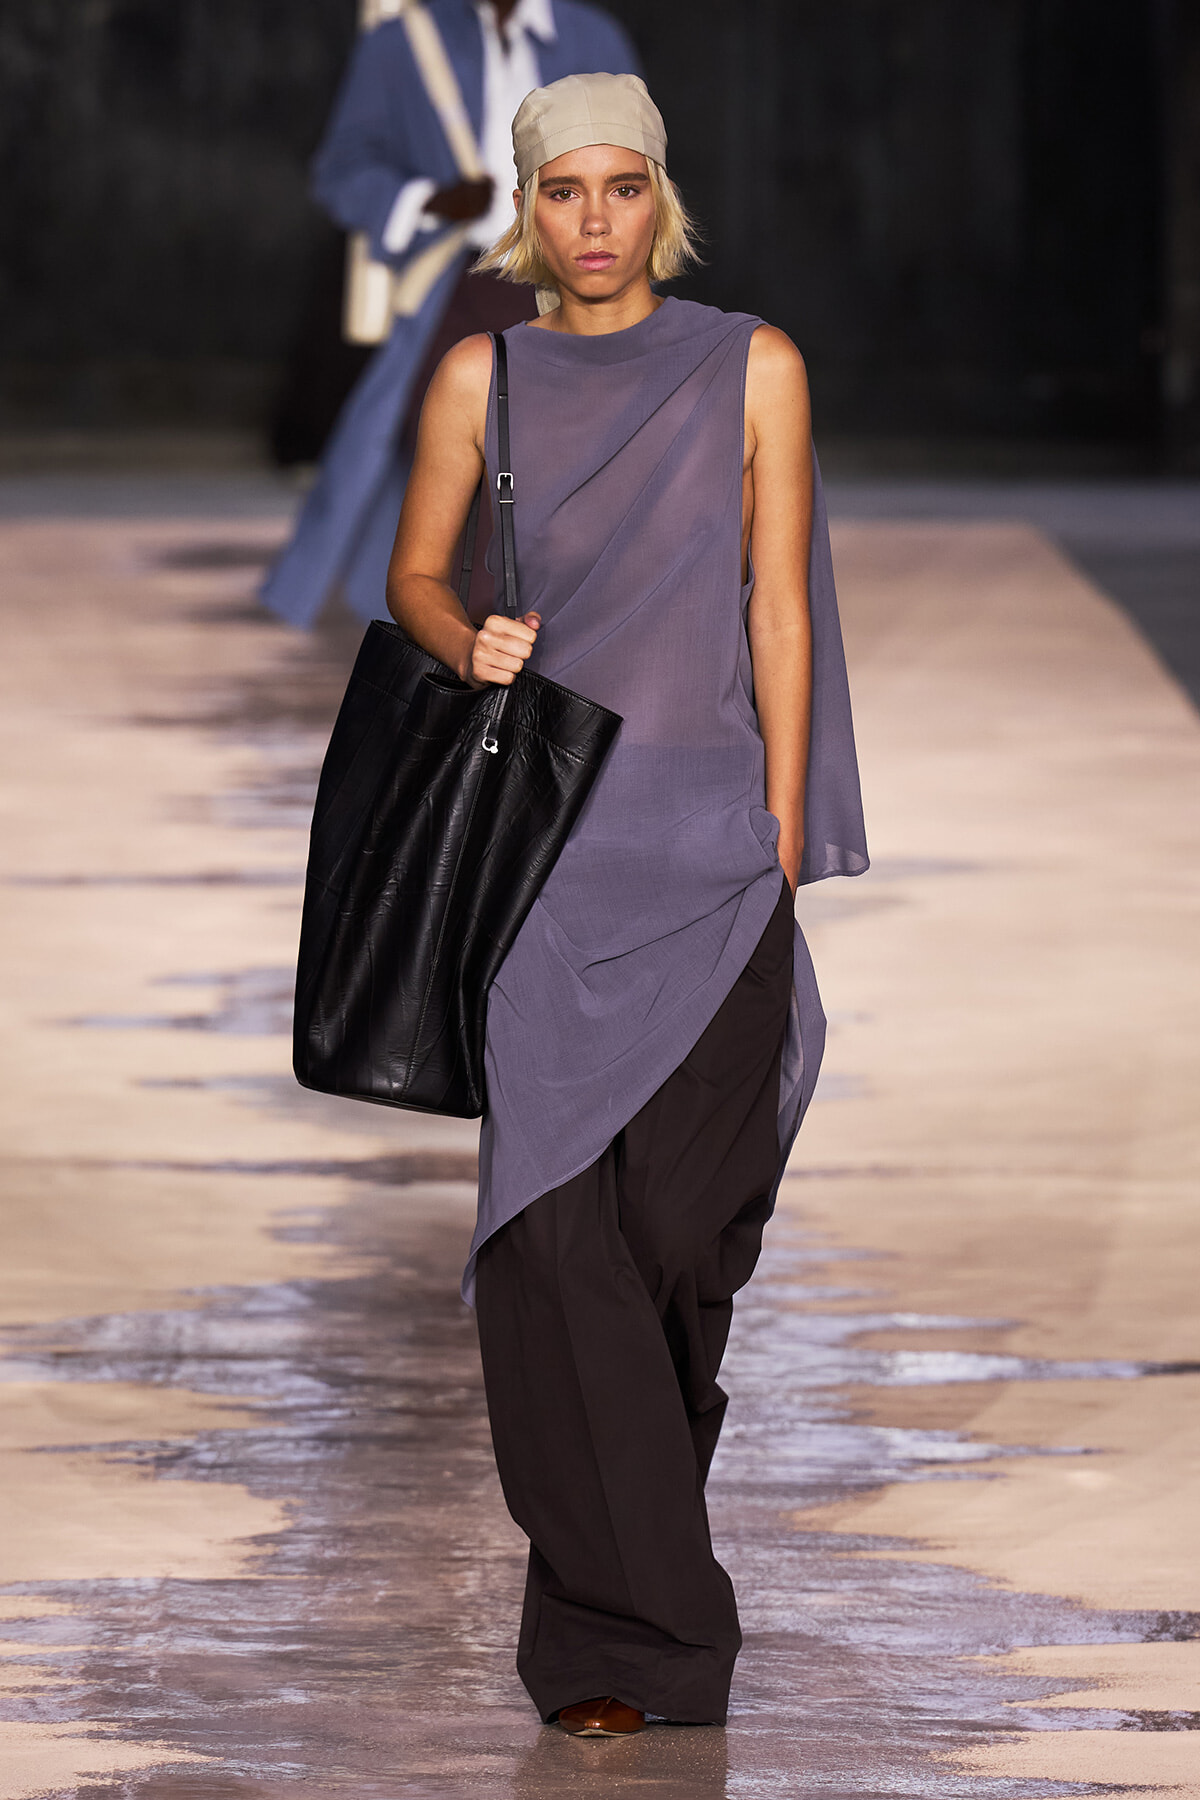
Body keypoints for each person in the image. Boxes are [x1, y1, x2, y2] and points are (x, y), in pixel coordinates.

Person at [387, 72, 868, 1736]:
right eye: (565, 191)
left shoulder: (754, 367)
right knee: (555, 1252)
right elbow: (418, 577)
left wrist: (783, 837)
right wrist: (467, 642)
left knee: (673, 1248)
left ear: (663, 196)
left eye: (622, 188)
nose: (595, 223)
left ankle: (626, 1573)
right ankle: (630, 1644)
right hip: (541, 869)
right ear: (532, 207)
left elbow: (783, 612)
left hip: (714, 856)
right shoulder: (484, 376)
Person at [260, 0, 639, 628]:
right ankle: (444, 630)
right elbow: (342, 170)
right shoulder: (403, 42)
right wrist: (427, 199)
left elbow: (643, 172)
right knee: (451, 448)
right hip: (453, 283)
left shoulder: (592, 40)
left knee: (568, 457)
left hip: (569, 280)